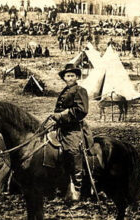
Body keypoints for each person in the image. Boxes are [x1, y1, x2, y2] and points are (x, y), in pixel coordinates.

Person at [50, 63, 93, 201]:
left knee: (73, 152)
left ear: (76, 77)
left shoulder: (80, 90)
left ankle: (78, 189)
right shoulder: (64, 91)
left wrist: (62, 115)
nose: (69, 78)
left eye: (72, 75)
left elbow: (82, 110)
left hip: (73, 129)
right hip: (61, 127)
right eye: (67, 76)